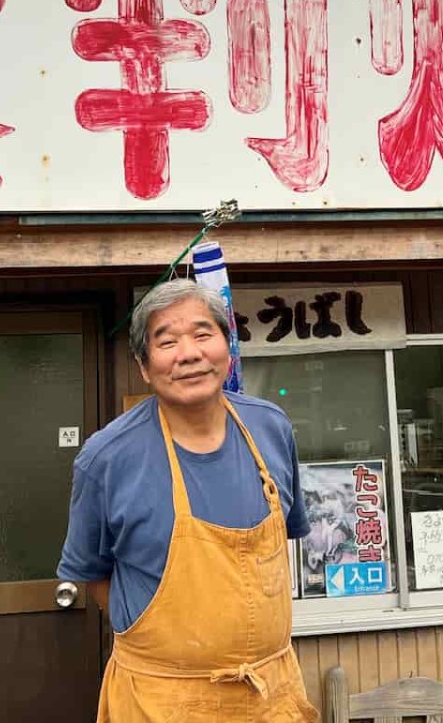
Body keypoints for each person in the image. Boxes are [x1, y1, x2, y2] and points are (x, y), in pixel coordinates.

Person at [58, 278, 319, 722]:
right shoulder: (106, 459)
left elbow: (285, 541)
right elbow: (94, 575)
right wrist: (167, 653)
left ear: (228, 348)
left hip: (270, 698)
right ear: (144, 365)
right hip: (161, 703)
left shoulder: (270, 428)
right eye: (167, 341)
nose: (189, 354)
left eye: (203, 334)